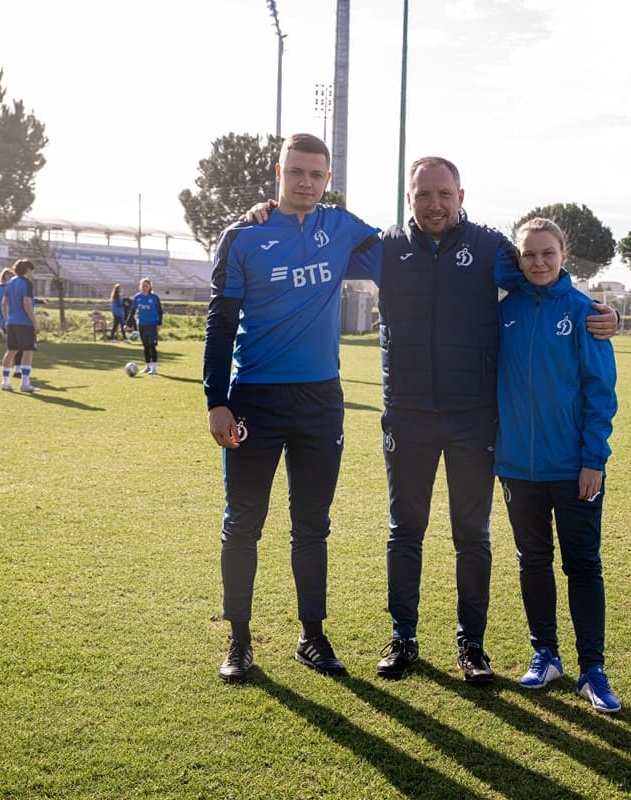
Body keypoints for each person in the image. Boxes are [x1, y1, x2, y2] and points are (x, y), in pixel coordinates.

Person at [242, 156, 619, 684]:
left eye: (445, 194)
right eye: (424, 195)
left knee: (472, 533)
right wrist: (274, 213)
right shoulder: (387, 248)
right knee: (405, 531)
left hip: (472, 419)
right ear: (409, 197)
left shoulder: (490, 249)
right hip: (408, 416)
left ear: (461, 196)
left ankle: (472, 645)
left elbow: (546, 271)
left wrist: (602, 312)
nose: (435, 205)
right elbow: (316, 247)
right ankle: (403, 638)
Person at [206, 133, 382, 684]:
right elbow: (221, 321)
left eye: (316, 174)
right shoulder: (242, 236)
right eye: (296, 172)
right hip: (254, 397)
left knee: (312, 525)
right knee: (243, 524)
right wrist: (216, 400)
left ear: (328, 179)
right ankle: (239, 642)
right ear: (278, 172)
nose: (305, 182)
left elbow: (413, 251)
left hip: (320, 400)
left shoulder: (344, 229)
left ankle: (312, 635)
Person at [496, 218, 620, 712]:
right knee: (532, 562)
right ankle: (544, 653)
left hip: (574, 468)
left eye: (548, 253)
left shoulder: (587, 312)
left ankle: (593, 669)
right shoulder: (504, 311)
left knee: (583, 566)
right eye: (529, 254)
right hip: (517, 467)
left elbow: (600, 392)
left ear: (563, 254)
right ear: (518, 258)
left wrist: (594, 459)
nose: (539, 262)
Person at [0, 259, 39, 392]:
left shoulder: (9, 283)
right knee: (28, 351)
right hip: (24, 322)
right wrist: (34, 321)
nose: (33, 273)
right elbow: (27, 303)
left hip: (12, 322)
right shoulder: (27, 283)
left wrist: (6, 319)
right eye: (32, 271)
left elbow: (3, 303)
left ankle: (5, 382)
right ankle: (25, 384)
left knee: (11, 351)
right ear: (28, 270)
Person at [0, 268, 23, 377]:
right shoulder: (8, 289)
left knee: (13, 347)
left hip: (2, 320)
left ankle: (13, 371)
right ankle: (17, 370)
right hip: (11, 320)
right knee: (16, 347)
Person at [132, 278, 163, 373]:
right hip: (142, 325)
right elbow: (132, 311)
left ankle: (154, 368)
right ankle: (147, 367)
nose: (144, 288)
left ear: (150, 287)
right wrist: (127, 322)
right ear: (140, 287)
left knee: (152, 345)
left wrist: (159, 323)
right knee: (145, 346)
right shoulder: (137, 297)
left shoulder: (154, 298)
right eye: (143, 286)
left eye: (146, 286)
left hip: (152, 325)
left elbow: (160, 311)